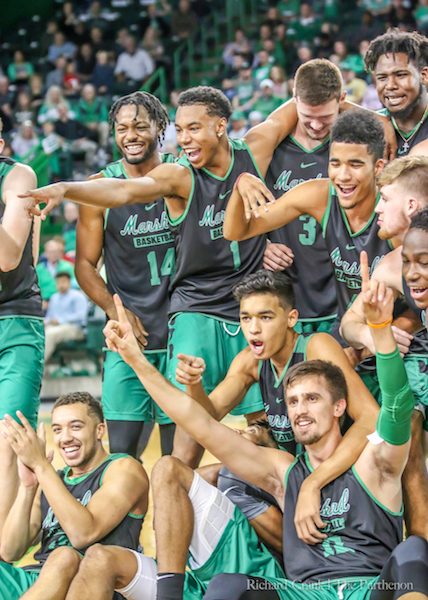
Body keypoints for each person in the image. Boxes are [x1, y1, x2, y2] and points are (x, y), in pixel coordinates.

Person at [19, 87, 396, 452]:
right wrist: (65, 189)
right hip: (196, 307)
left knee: (267, 428)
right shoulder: (180, 175)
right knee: (187, 433)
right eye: (179, 130)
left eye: (193, 128)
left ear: (220, 126)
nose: (184, 140)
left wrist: (382, 121)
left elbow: (308, 101)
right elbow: (125, 192)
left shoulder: (255, 149)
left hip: (247, 307)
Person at [100, 293, 428, 600]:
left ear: (339, 407)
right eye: (293, 402)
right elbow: (199, 422)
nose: (300, 409)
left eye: (312, 399)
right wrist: (135, 359)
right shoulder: (284, 472)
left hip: (370, 588)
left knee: (412, 552)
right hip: (303, 593)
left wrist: (381, 329)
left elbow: (397, 403)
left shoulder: (375, 464)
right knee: (229, 585)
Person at [223, 110, 394, 398]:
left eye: (355, 164)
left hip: (392, 336)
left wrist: (377, 337)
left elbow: (419, 293)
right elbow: (236, 231)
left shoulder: (393, 207)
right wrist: (239, 187)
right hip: (349, 334)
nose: (343, 175)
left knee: (406, 428)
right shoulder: (320, 195)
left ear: (378, 167)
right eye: (335, 163)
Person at [63, 420, 285, 600]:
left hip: (253, 574)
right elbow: (193, 480)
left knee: (167, 468)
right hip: (202, 585)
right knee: (99, 559)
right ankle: (169, 587)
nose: (238, 430)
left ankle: (168, 595)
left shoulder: (274, 486)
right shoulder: (227, 476)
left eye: (251, 432)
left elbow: (288, 543)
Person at [75, 91, 176, 457]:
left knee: (176, 458)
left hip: (180, 332)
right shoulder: (99, 186)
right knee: (121, 455)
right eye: (121, 128)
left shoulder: (183, 177)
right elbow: (84, 266)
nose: (130, 135)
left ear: (160, 127)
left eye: (139, 126)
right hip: (128, 335)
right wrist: (115, 311)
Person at [0, 392, 148, 600]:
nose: (65, 437)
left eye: (76, 427)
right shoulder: (53, 480)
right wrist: (28, 488)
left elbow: (82, 534)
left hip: (89, 583)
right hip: (39, 581)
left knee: (65, 556)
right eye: (58, 430)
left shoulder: (123, 468)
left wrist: (41, 466)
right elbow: (9, 551)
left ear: (100, 431)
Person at [264, 59, 343, 335]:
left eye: (326, 117)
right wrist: (260, 245)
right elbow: (235, 206)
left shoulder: (351, 149)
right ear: (293, 99)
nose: (317, 125)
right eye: (308, 115)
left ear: (342, 101)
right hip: (286, 295)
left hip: (341, 294)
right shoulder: (270, 145)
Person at [0, 118, 44, 537]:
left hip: (13, 318)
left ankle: (4, 553)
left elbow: (8, 256)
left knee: (8, 440)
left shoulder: (18, 174)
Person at [365, 28, 428, 156]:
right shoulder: (371, 128)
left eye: (400, 75)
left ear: (424, 75)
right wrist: (381, 121)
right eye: (382, 78)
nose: (390, 86)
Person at [44, 271, 88, 362]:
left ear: (69, 282)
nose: (61, 285)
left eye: (63, 282)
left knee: (50, 334)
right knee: (41, 332)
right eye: (58, 282)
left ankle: (40, 365)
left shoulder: (78, 296)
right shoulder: (54, 298)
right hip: (55, 327)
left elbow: (81, 315)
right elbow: (49, 316)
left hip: (74, 328)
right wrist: (47, 321)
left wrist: (60, 321)